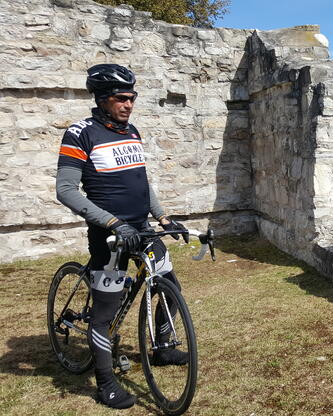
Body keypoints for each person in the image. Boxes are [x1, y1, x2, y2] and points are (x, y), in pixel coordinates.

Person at [56, 64, 189, 409]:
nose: (128, 104)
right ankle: (105, 384)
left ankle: (162, 348)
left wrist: (162, 216)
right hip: (109, 236)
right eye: (121, 98)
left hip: (142, 229)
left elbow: (142, 181)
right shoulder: (79, 133)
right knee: (105, 313)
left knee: (170, 287)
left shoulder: (131, 132)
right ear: (102, 99)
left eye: (132, 98)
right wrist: (113, 223)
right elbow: (67, 190)